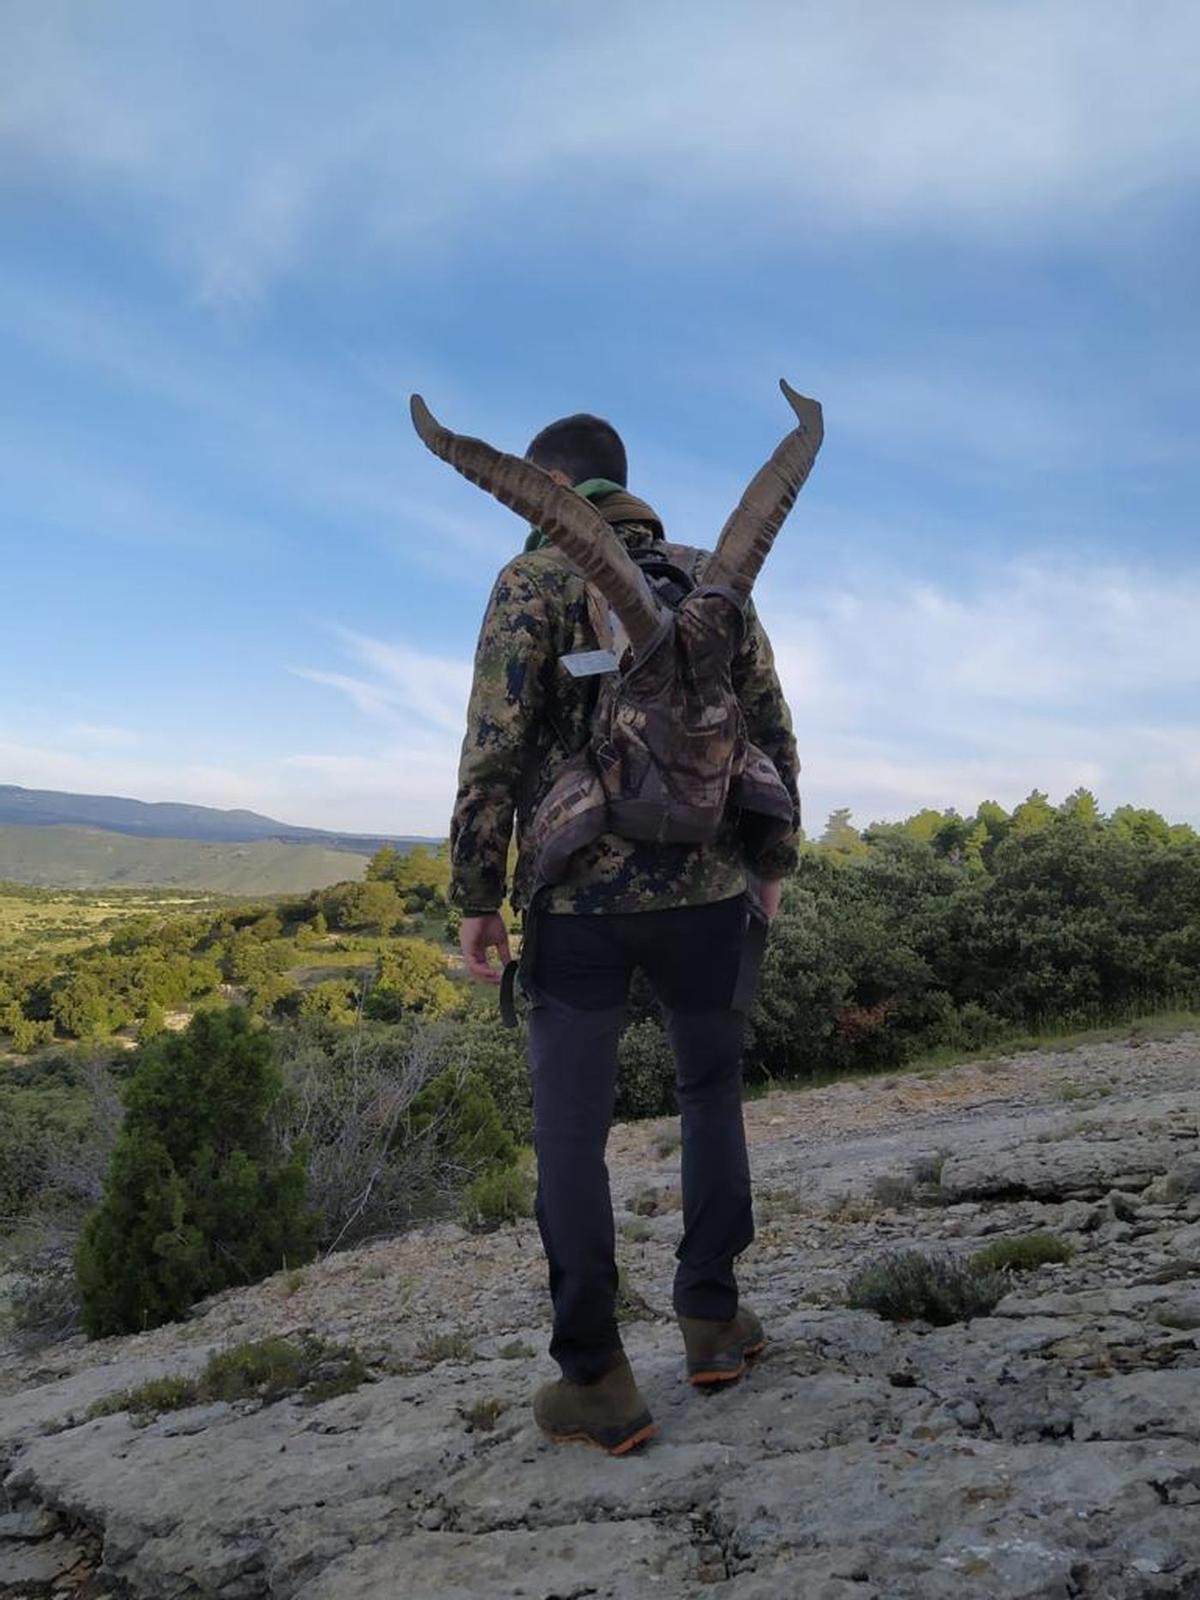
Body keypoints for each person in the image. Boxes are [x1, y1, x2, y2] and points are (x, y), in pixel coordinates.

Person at [444, 408, 803, 1455]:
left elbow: (492, 750)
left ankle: (597, 1377)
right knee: (709, 1094)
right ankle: (713, 1318)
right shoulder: (708, 578)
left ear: (551, 483)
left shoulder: (535, 580)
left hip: (576, 904)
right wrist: (769, 867)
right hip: (706, 896)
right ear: (627, 486)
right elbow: (772, 728)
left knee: (570, 1133)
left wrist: (476, 895)